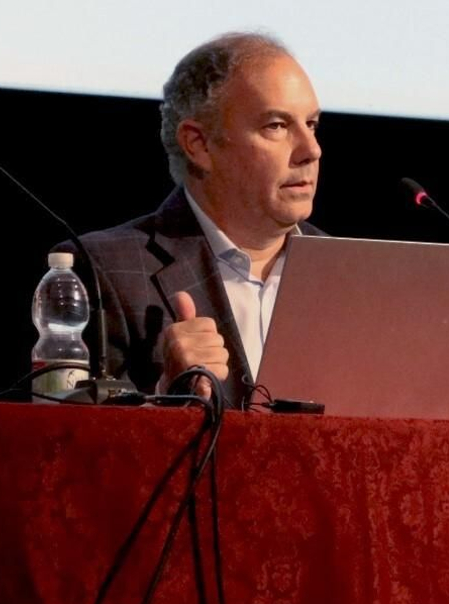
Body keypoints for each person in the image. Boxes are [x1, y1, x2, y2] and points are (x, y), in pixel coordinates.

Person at [66, 31, 323, 408]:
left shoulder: (351, 272)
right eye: (276, 126)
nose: (310, 150)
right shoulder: (104, 271)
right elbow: (68, 447)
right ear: (199, 144)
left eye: (312, 124)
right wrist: (164, 396)